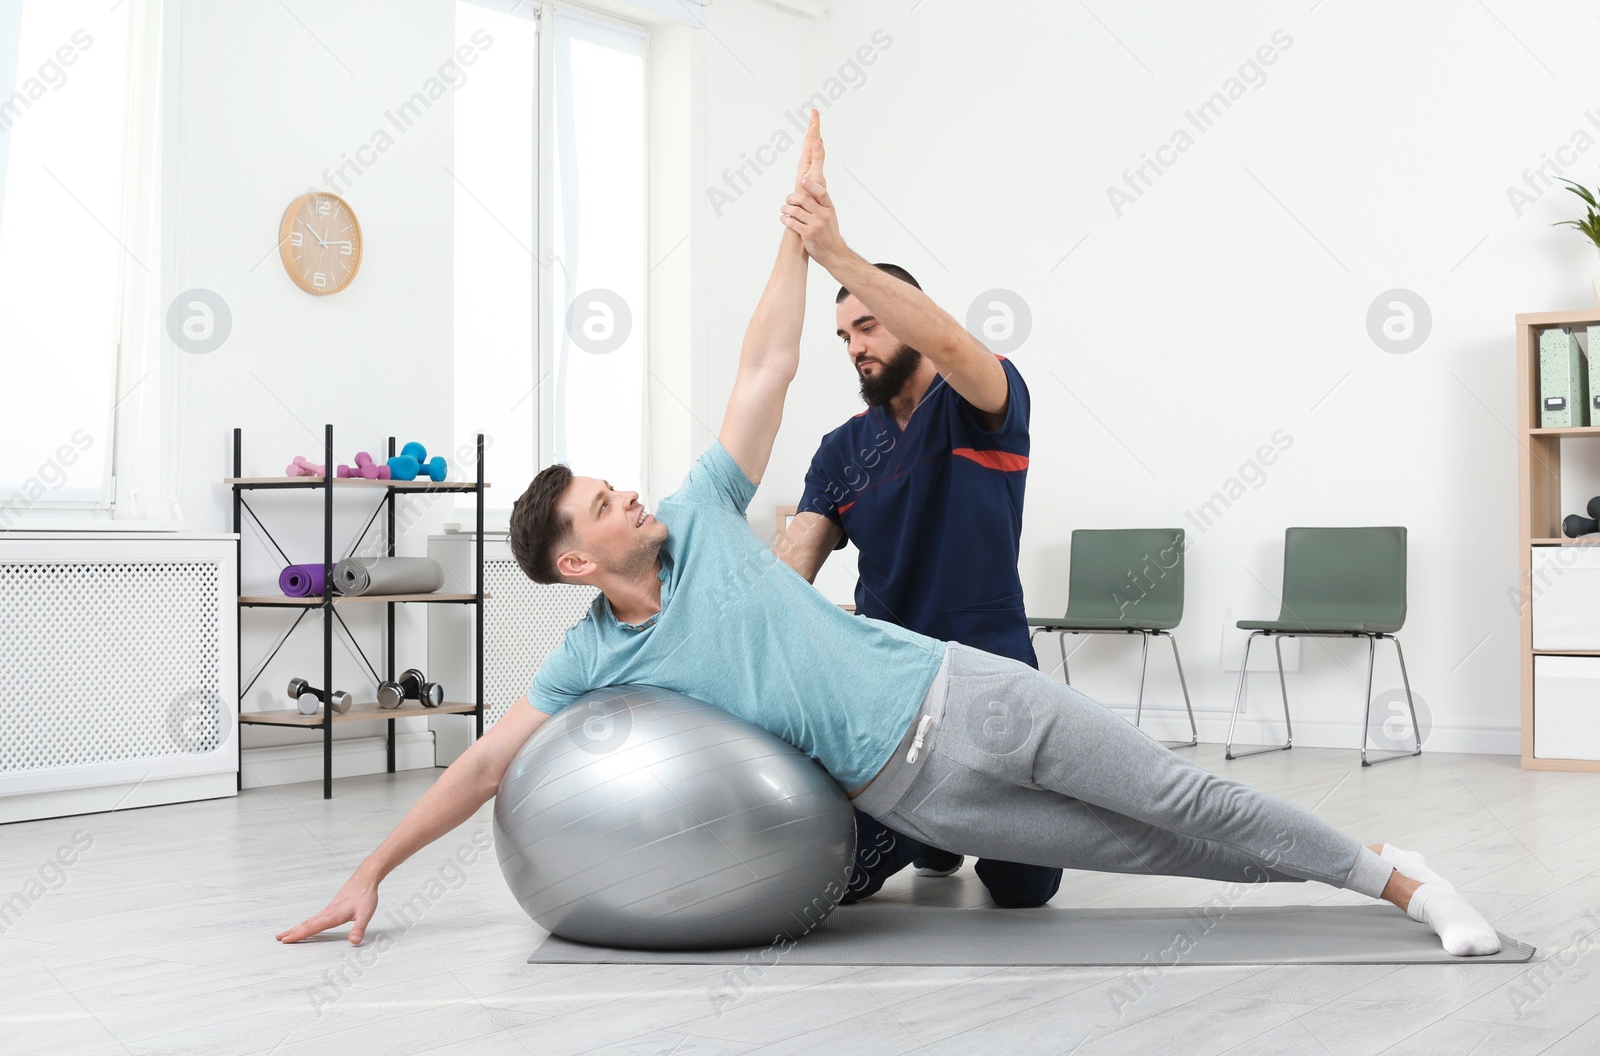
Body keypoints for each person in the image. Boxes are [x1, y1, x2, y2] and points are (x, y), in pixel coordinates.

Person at [278, 116, 1500, 959]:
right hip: (906, 786)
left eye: (618, 486)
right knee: (1147, 849)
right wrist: (373, 865)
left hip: (964, 691)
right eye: (607, 505)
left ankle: (1393, 876)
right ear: (576, 564)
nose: (632, 496)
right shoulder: (595, 659)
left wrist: (799, 230)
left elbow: (763, 359)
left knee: (1179, 791)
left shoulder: (704, 512)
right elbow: (487, 764)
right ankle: (1340, 870)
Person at [778, 255, 1060, 905]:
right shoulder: (841, 450)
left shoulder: (983, 401)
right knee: (843, 881)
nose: (856, 348)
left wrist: (831, 244)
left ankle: (955, 817)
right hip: (896, 697)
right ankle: (927, 824)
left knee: (1025, 890)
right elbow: (796, 561)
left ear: (910, 316)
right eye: (846, 336)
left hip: (993, 681)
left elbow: (953, 344)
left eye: (870, 326)